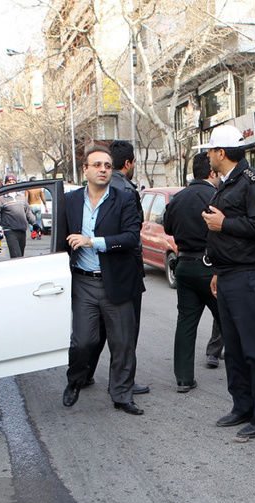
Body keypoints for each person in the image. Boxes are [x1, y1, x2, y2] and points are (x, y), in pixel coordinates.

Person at [197, 124, 255, 442]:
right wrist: (218, 270)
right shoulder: (228, 182)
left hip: (249, 276)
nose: (207, 156)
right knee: (233, 347)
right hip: (230, 274)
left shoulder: (253, 182)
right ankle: (243, 405)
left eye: (210, 151)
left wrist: (224, 223)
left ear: (221, 153)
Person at [61, 146, 146, 415]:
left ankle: (121, 395)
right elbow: (58, 242)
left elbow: (132, 237)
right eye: (97, 164)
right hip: (83, 283)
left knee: (122, 344)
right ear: (84, 169)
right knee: (83, 341)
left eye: (107, 165)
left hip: (117, 282)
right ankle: (75, 381)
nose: (103, 169)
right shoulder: (70, 201)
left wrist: (92, 242)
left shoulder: (125, 199)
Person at [81, 140, 150, 396]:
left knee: (98, 328)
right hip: (123, 271)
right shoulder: (126, 192)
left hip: (94, 272)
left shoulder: (95, 188)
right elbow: (132, 236)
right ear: (129, 163)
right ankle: (123, 383)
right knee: (125, 332)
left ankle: (85, 374)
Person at [164, 152, 224, 392]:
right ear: (212, 173)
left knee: (186, 322)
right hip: (209, 267)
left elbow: (168, 227)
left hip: (184, 265)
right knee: (229, 320)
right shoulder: (216, 196)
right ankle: (246, 374)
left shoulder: (178, 198)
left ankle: (183, 378)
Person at [0, 173, 35, 258]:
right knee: (16, 255)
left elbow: (28, 212)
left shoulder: (21, 196)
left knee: (20, 255)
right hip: (10, 230)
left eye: (13, 181)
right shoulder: (0, 198)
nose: (11, 183)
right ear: (5, 184)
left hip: (22, 229)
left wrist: (35, 224)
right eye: (8, 182)